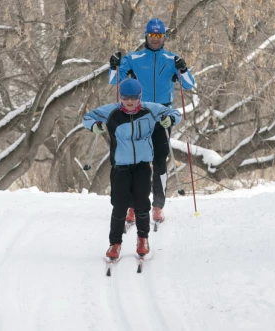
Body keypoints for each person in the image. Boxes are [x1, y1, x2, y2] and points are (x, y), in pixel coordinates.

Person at [108, 18, 195, 224]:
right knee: (134, 161)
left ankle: (157, 206)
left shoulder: (172, 59)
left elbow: (189, 85)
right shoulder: (134, 58)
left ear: (164, 37)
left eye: (159, 35)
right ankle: (131, 206)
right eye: (152, 35)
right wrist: (114, 65)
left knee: (159, 160)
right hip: (139, 113)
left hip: (163, 115)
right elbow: (115, 80)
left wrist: (183, 69)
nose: (156, 39)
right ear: (146, 36)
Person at [83, 78, 182, 259]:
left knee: (142, 203)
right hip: (121, 166)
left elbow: (175, 112)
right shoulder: (112, 112)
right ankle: (115, 243)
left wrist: (170, 118)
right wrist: (94, 126)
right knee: (119, 206)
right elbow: (87, 117)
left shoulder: (150, 110)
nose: (129, 102)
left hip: (143, 165)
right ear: (121, 97)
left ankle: (142, 239)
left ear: (140, 97)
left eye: (133, 98)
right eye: (125, 98)